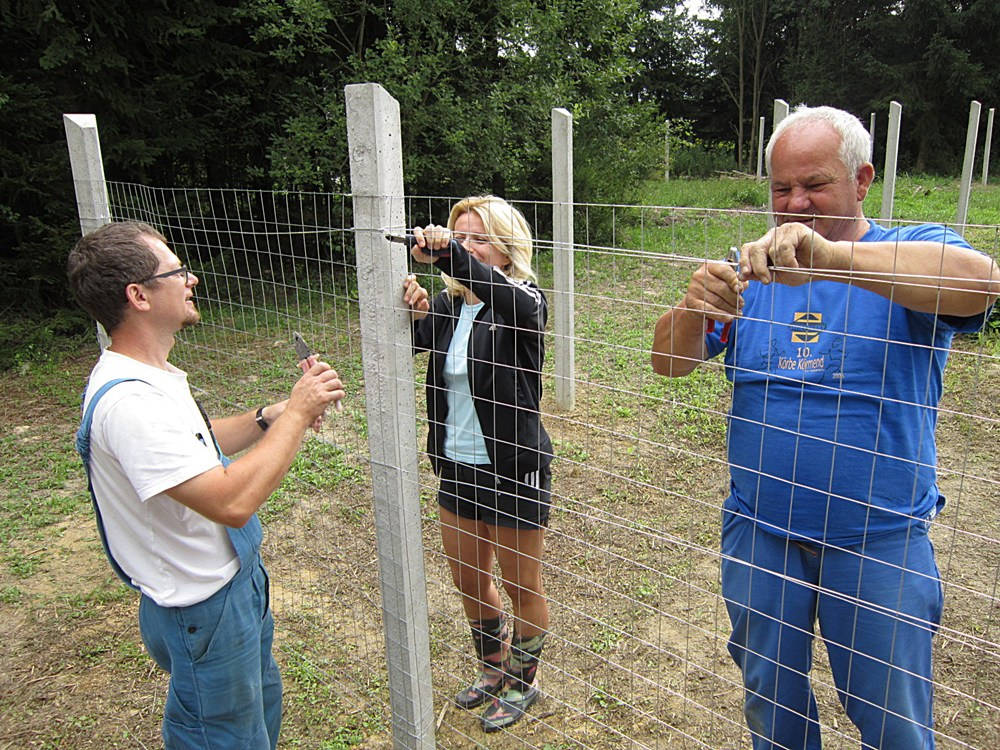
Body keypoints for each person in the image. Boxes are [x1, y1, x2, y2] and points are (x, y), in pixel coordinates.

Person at [651, 105, 999, 749]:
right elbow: (668, 363)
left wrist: (835, 258)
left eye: (815, 184)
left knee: (893, 724)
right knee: (771, 711)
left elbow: (981, 285)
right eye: (782, 188)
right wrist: (691, 306)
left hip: (878, 542)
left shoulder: (912, 250)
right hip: (761, 535)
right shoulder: (750, 270)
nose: (795, 202)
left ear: (862, 180)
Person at [68, 221, 345, 749]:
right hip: (201, 609)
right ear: (139, 295)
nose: (191, 278)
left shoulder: (151, 376)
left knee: (254, 716)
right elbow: (230, 500)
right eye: (176, 271)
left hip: (231, 588)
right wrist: (300, 413)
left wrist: (271, 416)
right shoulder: (131, 403)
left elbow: (193, 448)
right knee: (220, 737)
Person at [400, 196, 553, 732]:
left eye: (478, 239)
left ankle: (521, 682)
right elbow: (414, 341)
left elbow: (503, 295)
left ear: (508, 251)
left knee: (521, 586)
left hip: (512, 465)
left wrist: (446, 256)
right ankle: (492, 668)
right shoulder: (449, 308)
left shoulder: (525, 301)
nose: (464, 246)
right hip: (457, 465)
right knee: (468, 578)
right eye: (458, 235)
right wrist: (412, 306)